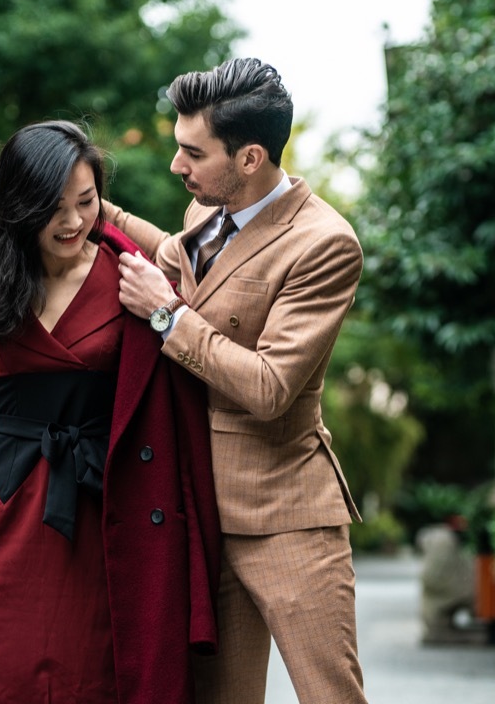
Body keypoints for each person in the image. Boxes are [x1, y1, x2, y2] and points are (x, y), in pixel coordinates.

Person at [0, 120, 221, 704]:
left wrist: (163, 310)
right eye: (52, 208)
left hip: (98, 520)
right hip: (3, 518)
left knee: (96, 681)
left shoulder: (132, 281)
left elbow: (170, 404)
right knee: (5, 683)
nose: (71, 222)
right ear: (18, 208)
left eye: (86, 203)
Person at [106, 59, 368, 704]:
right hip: (200, 510)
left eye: (193, 152)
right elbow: (172, 255)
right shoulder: (206, 211)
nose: (177, 166)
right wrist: (85, 201)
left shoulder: (324, 243)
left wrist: (166, 316)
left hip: (288, 517)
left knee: (330, 696)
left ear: (250, 157)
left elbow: (271, 387)